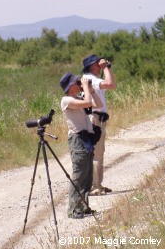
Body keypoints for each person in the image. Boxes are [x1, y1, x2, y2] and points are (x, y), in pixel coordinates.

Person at [59, 72, 102, 219]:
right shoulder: (66, 100)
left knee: (88, 175)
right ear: (71, 86)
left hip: (86, 139)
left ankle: (83, 207)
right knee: (79, 174)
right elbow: (88, 103)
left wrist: (90, 89)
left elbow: (98, 104)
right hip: (77, 139)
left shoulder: (78, 98)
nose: (79, 85)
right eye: (77, 83)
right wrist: (84, 87)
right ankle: (73, 209)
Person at [82, 54, 116, 195]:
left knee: (99, 153)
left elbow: (109, 84)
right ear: (92, 66)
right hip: (95, 119)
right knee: (96, 153)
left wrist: (106, 68)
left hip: (98, 118)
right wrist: (107, 68)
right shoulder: (91, 80)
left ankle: (97, 185)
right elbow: (111, 85)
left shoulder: (92, 79)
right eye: (98, 64)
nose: (100, 65)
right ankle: (94, 186)